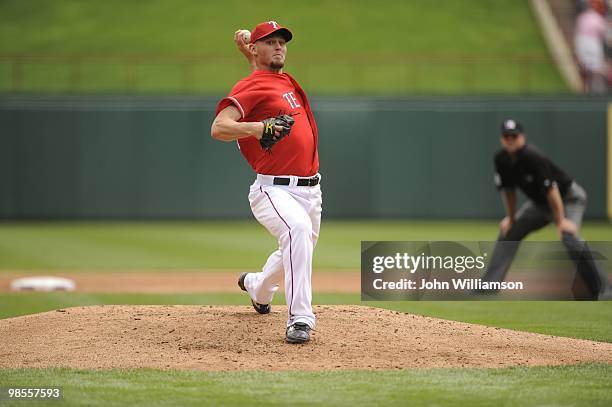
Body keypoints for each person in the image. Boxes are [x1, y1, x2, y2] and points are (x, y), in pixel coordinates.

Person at [211, 21, 322, 343]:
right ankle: (301, 317)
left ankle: (258, 287)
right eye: (270, 42)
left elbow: (261, 73)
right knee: (297, 232)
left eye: (282, 42)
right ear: (257, 49)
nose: (279, 47)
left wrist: (252, 50)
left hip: (311, 190)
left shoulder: (279, 79)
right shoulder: (252, 85)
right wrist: (258, 128)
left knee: (300, 245)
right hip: (274, 189)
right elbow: (219, 127)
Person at [480, 119, 611, 300]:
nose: (510, 139)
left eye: (514, 136)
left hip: (568, 199)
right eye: (506, 136)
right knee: (508, 232)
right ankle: (488, 286)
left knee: (569, 236)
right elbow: (509, 192)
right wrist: (511, 219)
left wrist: (561, 221)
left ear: (522, 137)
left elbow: (552, 190)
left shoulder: (533, 157)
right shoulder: (501, 159)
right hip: (540, 204)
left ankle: (603, 288)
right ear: (501, 138)